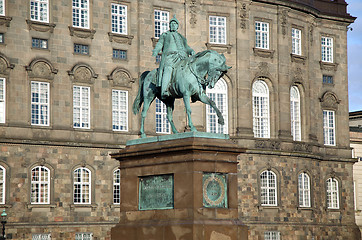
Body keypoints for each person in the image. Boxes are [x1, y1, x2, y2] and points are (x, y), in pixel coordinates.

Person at [152, 15, 195, 99]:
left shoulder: (181, 37)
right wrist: (156, 50)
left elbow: (186, 47)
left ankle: (192, 90)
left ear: (177, 26)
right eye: (171, 24)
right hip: (170, 57)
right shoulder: (165, 35)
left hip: (182, 58)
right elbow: (160, 44)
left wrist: (191, 51)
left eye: (175, 24)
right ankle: (164, 90)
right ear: (169, 25)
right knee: (168, 69)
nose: (173, 25)